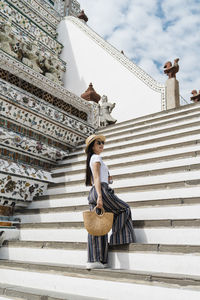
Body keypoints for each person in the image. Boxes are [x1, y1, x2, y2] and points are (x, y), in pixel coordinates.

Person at [85, 134, 134, 269]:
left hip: (97, 190)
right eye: (98, 143)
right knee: (124, 209)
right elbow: (96, 177)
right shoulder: (96, 157)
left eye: (102, 143)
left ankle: (97, 259)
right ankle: (118, 239)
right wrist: (100, 196)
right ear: (92, 147)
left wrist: (107, 178)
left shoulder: (94, 159)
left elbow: (95, 178)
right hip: (101, 191)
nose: (101, 145)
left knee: (98, 223)